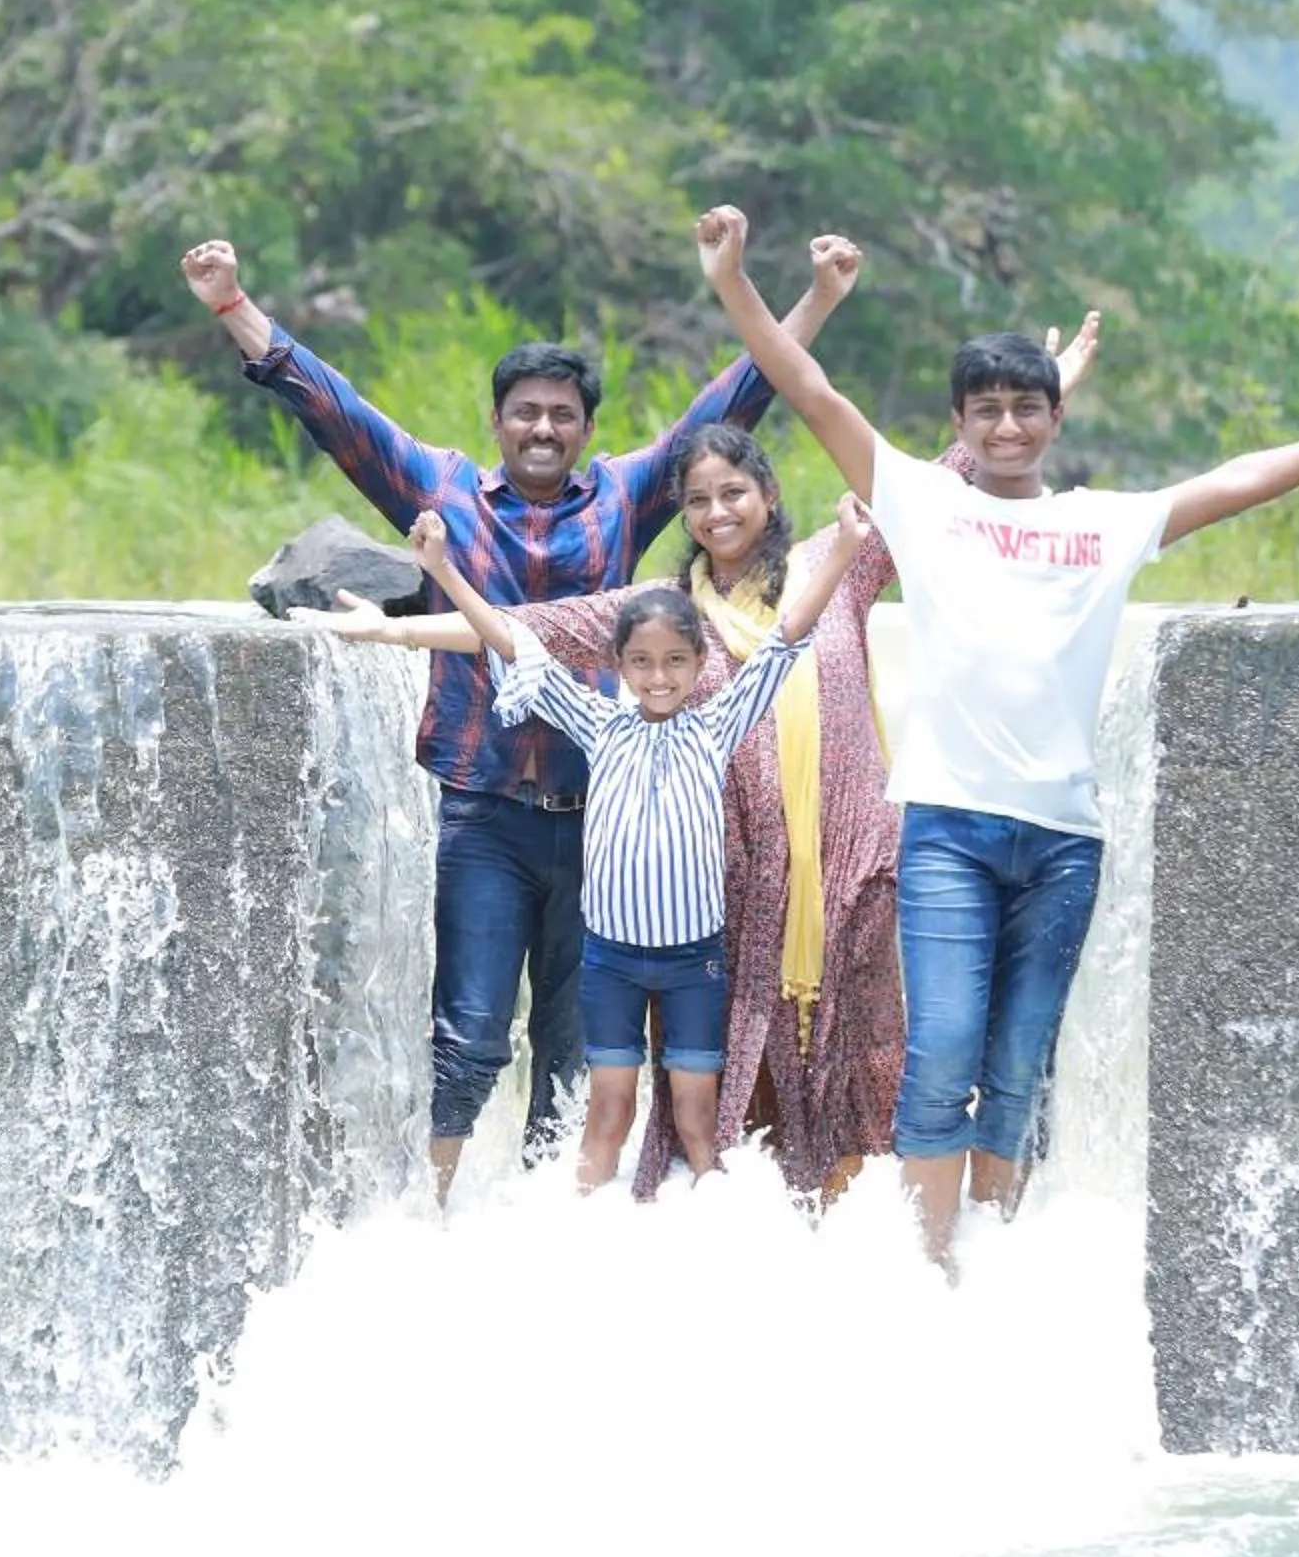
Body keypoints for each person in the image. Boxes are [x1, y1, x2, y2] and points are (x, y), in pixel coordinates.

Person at [692, 201, 1299, 1263]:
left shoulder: (1100, 523)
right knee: (941, 1053)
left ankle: (991, 1265)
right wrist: (731, 282)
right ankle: (926, 1273)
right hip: (945, 829)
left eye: (1023, 409)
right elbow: (808, 388)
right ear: (959, 422)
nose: (1005, 428)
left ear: (1051, 419)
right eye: (984, 411)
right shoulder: (917, 501)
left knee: (1021, 1062)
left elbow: (1228, 484)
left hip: (1060, 843)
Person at [324, 311, 1100, 1204]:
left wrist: (1053, 382)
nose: (717, 511)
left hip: (852, 868)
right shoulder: (662, 615)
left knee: (869, 1067)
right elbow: (519, 633)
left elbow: (943, 480)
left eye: (734, 492)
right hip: (727, 886)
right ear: (683, 516)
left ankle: (879, 1258)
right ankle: (748, 1253)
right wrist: (384, 631)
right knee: (744, 1091)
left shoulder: (833, 566)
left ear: (767, 495)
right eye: (697, 500)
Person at [178, 231, 860, 1196]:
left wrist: (817, 301)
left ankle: (554, 1219)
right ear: (498, 421)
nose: (544, 429)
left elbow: (735, 396)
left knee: (577, 1050)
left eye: (563, 416)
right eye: (527, 413)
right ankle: (442, 1209)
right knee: (467, 1031)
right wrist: (233, 306)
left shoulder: (625, 496)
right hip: (485, 810)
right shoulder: (442, 486)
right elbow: (338, 413)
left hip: (602, 820)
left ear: (586, 428)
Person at [404, 494, 873, 1193]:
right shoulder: (598, 724)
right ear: (621, 666)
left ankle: (705, 1235)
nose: (660, 677)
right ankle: (588, 1242)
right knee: (610, 1111)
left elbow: (786, 639)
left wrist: (839, 552)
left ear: (697, 663)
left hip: (693, 964)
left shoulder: (716, 725)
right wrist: (442, 567)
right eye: (644, 662)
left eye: (675, 661)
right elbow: (509, 642)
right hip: (612, 964)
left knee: (695, 1115)